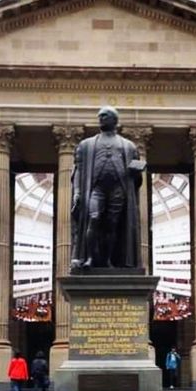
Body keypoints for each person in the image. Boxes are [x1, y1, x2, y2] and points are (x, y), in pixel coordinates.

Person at [70, 106, 144, 270]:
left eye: (104, 116)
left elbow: (136, 181)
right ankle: (88, 258)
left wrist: (136, 172)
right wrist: (77, 192)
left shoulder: (129, 146)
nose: (100, 118)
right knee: (94, 218)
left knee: (112, 224)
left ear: (114, 120)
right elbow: (78, 172)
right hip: (96, 189)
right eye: (99, 116)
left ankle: (109, 260)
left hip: (119, 189)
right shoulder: (86, 145)